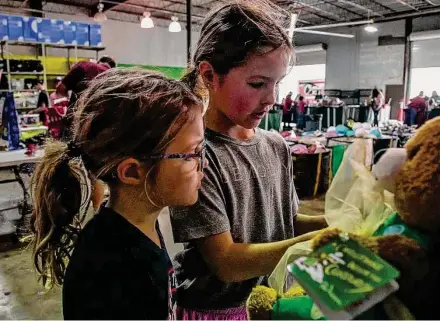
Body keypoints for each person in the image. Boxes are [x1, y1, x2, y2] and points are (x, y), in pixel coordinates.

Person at [170, 1, 327, 319]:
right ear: (210, 75)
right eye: (257, 84)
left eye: (276, 84)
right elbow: (226, 262)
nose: (271, 98)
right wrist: (313, 243)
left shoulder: (275, 145)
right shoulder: (195, 157)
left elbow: (287, 222)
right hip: (218, 312)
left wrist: (339, 224)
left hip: (272, 300)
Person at [30, 68, 205, 320]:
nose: (203, 164)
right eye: (191, 154)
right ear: (133, 172)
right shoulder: (116, 270)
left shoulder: (140, 227)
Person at [58, 56, 116, 211]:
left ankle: (67, 210)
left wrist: (67, 101)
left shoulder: (84, 66)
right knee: (95, 172)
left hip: (75, 124)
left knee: (65, 165)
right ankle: (97, 210)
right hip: (99, 128)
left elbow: (60, 90)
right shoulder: (113, 76)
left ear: (99, 61)